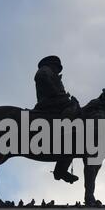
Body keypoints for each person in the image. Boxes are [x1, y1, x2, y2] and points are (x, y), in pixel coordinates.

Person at [34, 56, 79, 184]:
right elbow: (45, 81)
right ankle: (63, 129)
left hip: (55, 101)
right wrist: (58, 94)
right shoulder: (44, 71)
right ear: (51, 64)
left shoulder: (51, 73)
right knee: (73, 107)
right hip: (49, 102)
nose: (57, 70)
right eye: (56, 67)